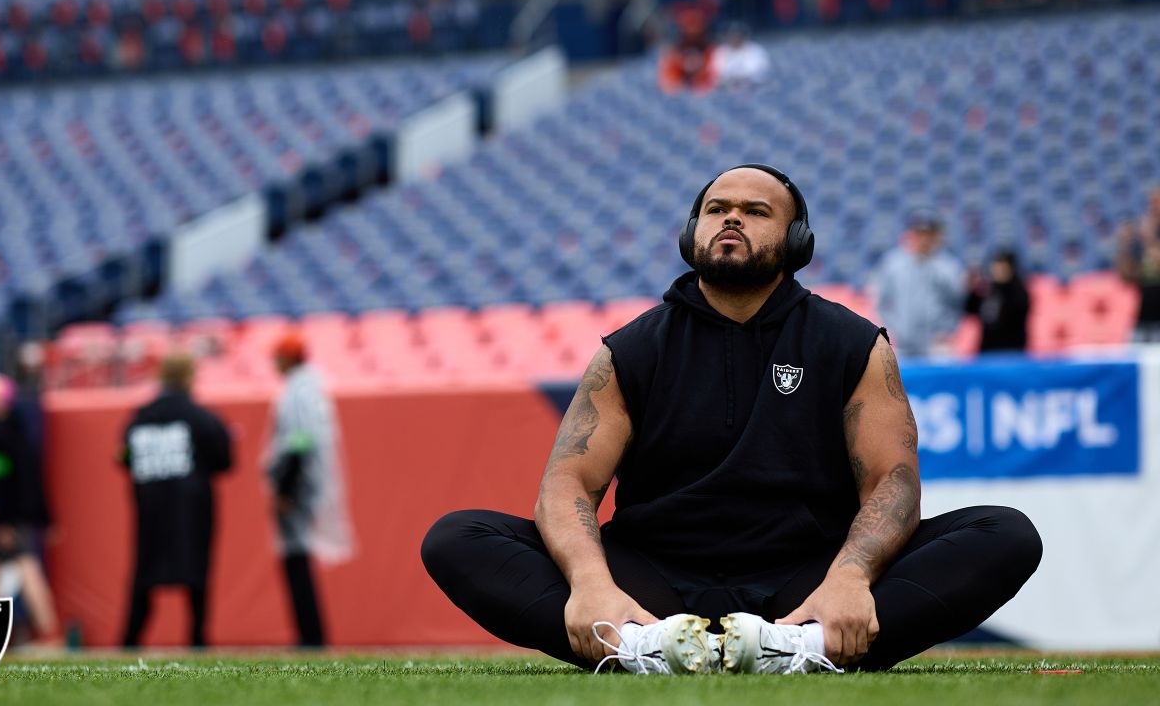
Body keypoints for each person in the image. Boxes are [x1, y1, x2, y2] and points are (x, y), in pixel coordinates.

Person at [422, 164, 1041, 675]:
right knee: (457, 537)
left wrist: (850, 579)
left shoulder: (851, 343)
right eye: (717, 209)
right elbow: (568, 483)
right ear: (693, 232)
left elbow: (893, 482)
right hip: (653, 579)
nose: (732, 218)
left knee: (1006, 534)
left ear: (798, 240)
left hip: (806, 576)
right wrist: (593, 585)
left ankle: (803, 648)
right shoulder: (630, 350)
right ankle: (639, 646)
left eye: (756, 210)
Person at [120, 353, 232, 648]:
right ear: (189, 377)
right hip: (191, 513)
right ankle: (197, 640)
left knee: (144, 577)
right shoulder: (201, 418)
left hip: (150, 513)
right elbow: (224, 459)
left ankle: (129, 642)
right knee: (196, 576)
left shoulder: (140, 418)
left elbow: (124, 458)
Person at [266, 333, 354, 647]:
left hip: (297, 487)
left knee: (296, 559)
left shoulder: (297, 393)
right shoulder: (307, 388)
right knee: (296, 559)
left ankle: (310, 635)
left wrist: (286, 488)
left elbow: (299, 440)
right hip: (303, 484)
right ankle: (309, 634)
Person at [0, 373, 61, 645]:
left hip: (8, 518)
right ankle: (40, 632)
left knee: (17, 569)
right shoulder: (15, 434)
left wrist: (3, 522)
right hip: (14, 517)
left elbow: (8, 484)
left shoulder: (4, 437)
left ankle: (47, 632)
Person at [869, 217, 967, 358]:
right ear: (911, 235)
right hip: (900, 343)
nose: (924, 239)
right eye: (920, 234)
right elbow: (880, 303)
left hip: (937, 344)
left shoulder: (949, 266)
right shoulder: (893, 263)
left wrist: (947, 330)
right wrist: (889, 330)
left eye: (928, 234)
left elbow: (958, 304)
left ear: (936, 236)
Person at [1115, 185, 1160, 342]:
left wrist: (1149, 240)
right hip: (1143, 316)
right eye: (1152, 204)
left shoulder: (1147, 236)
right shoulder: (1141, 238)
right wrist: (1124, 246)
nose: (1154, 208)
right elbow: (1127, 277)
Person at [964, 251, 1030, 353]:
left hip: (1011, 350)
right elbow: (970, 310)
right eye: (995, 266)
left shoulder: (1019, 291)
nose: (997, 270)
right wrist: (972, 291)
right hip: (987, 350)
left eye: (1002, 267)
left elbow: (1017, 316)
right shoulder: (987, 290)